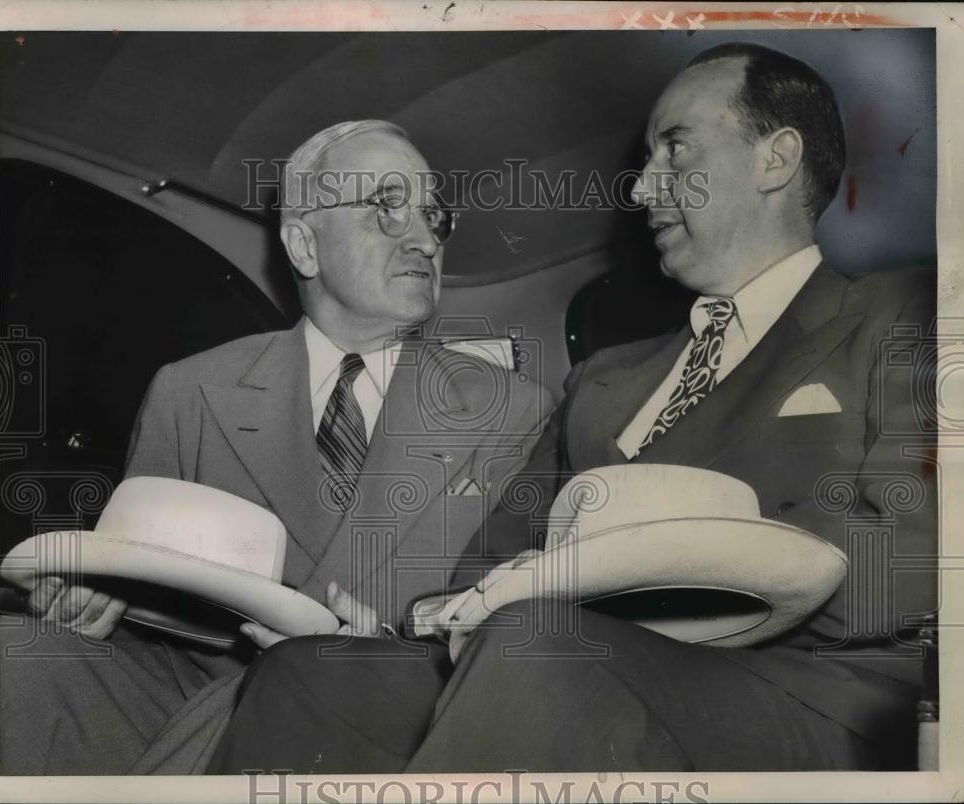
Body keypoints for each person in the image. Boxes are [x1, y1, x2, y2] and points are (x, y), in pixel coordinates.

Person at [210, 44, 937, 773]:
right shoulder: (604, 380)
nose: (644, 188)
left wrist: (627, 581)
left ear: (775, 159)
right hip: (565, 659)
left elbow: (910, 558)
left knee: (542, 645)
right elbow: (485, 569)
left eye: (675, 150)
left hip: (815, 700)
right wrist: (416, 626)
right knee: (311, 674)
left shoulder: (906, 317)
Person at [0, 120, 552, 774]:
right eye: (387, 207)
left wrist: (372, 651)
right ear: (303, 245)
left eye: (434, 215)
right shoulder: (190, 391)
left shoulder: (512, 408)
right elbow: (143, 599)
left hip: (378, 712)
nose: (425, 237)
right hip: (192, 696)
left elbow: (500, 637)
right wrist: (90, 598)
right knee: (8, 657)